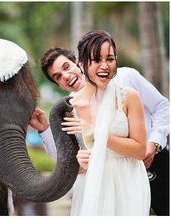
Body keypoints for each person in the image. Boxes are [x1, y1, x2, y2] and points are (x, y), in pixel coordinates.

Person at [35, 36, 169, 215]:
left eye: (66, 67)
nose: (66, 76)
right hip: (102, 183)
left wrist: (154, 143)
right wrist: (44, 130)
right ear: (58, 85)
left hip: (153, 164)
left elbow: (162, 106)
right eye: (58, 77)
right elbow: (66, 158)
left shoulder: (126, 79)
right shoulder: (69, 108)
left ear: (78, 63)